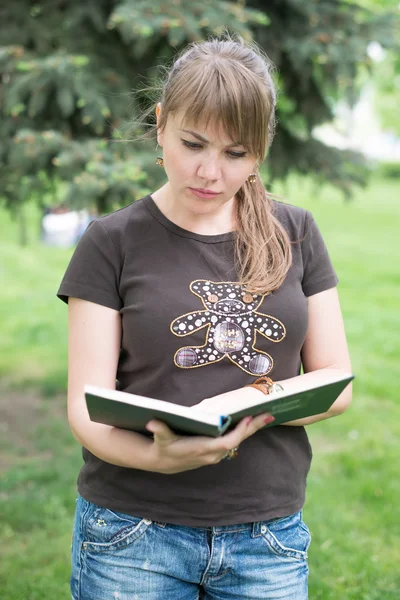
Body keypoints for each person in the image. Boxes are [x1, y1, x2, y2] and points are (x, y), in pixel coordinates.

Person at [57, 33, 352, 600]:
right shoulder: (110, 242)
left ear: (260, 150)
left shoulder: (296, 232)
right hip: (132, 534)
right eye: (193, 143)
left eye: (235, 153)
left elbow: (334, 382)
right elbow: (85, 409)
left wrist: (253, 404)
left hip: (267, 536)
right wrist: (158, 458)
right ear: (161, 123)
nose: (209, 172)